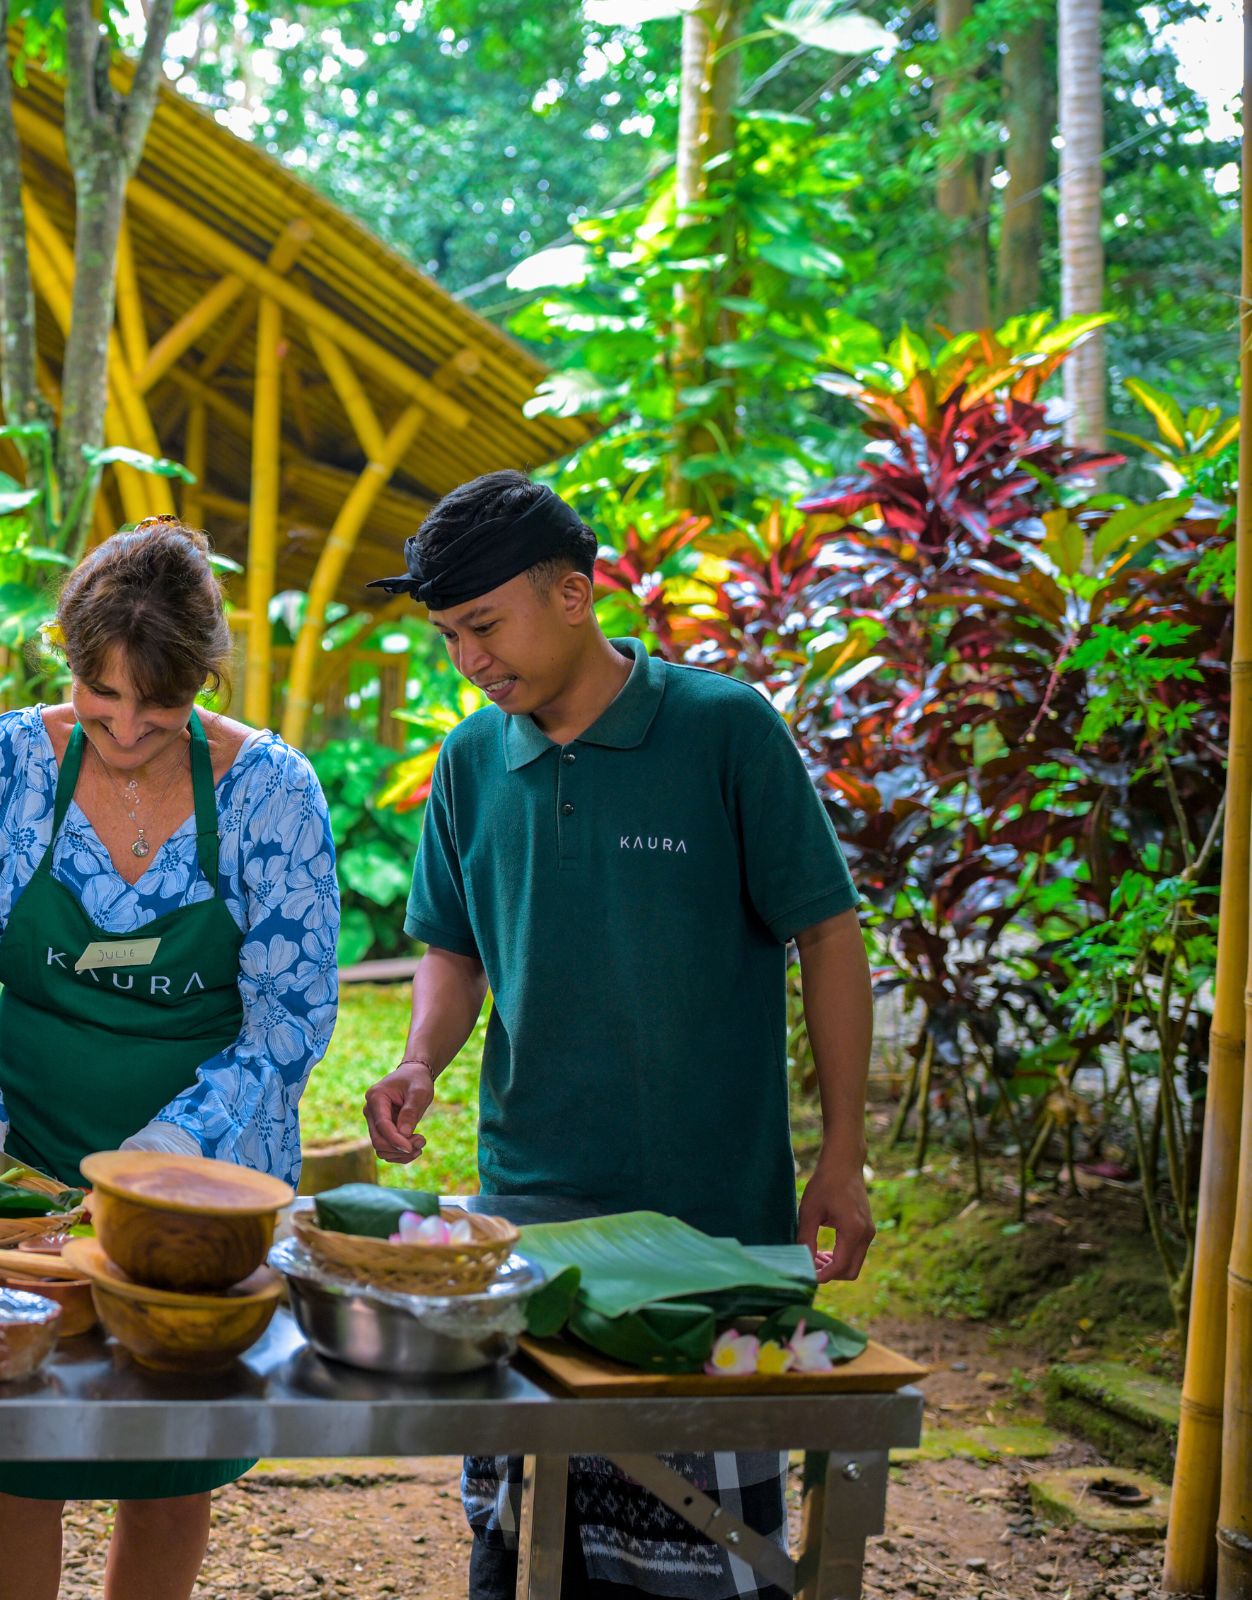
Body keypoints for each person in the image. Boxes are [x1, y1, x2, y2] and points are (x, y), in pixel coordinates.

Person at [357, 471, 876, 1600]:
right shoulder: (468, 763)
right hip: (527, 1223)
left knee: (705, 1565)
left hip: (712, 1235)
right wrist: (416, 1061)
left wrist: (842, 1152)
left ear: (577, 594)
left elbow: (827, 937)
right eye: (448, 636)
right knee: (523, 1553)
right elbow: (455, 946)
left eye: (483, 627)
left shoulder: (722, 727)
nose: (468, 662)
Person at [0, 516, 340, 1600]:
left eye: (161, 705)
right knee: (15, 1443)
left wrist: (181, 1140)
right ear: (68, 658)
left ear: (204, 684)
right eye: (103, 698)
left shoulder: (270, 792)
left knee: (172, 1449)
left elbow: (289, 1015)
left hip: (200, 1175)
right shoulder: (1, 767)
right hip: (26, 1159)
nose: (129, 727)